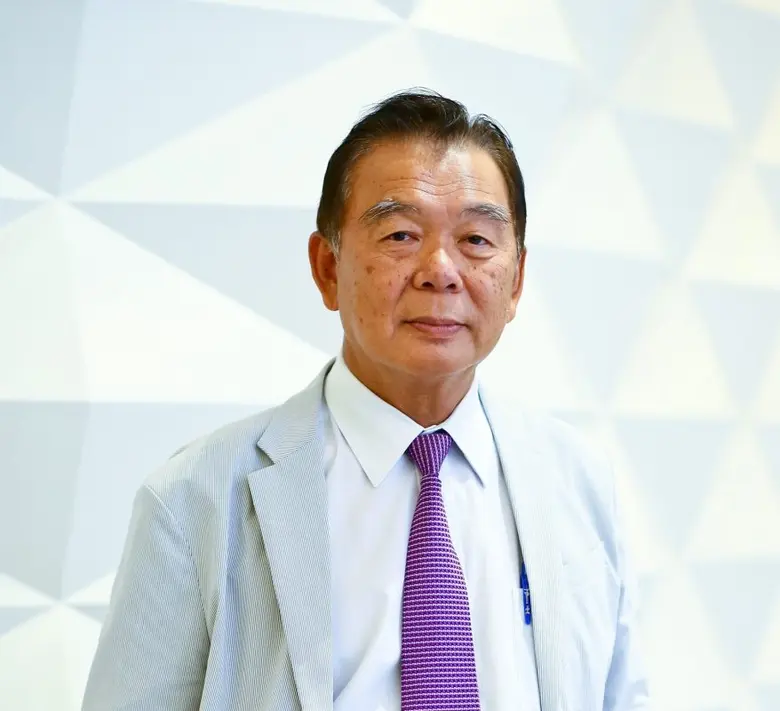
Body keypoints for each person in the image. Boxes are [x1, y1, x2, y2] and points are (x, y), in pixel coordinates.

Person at [81, 89, 650, 711]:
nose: (441, 269)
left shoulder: (580, 483)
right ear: (327, 267)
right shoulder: (193, 499)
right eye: (401, 234)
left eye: (477, 240)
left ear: (515, 281)